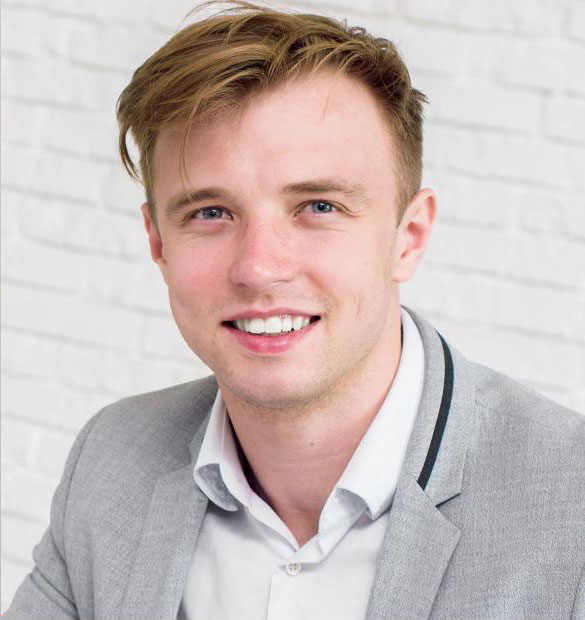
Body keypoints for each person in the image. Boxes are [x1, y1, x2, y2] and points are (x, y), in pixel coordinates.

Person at [4, 3, 584, 619]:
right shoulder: (112, 459)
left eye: (318, 207)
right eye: (210, 213)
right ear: (158, 243)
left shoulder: (570, 504)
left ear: (408, 237)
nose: (259, 268)